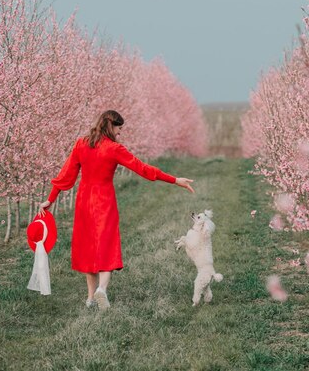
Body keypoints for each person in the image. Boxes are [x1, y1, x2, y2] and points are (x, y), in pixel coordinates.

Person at [38, 110, 194, 310]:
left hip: (84, 201)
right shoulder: (113, 149)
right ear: (111, 125)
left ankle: (90, 299)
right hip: (104, 202)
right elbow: (143, 169)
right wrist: (175, 180)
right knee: (106, 245)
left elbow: (65, 175)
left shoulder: (81, 144)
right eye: (119, 129)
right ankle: (102, 289)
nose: (120, 134)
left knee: (88, 248)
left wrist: (50, 200)